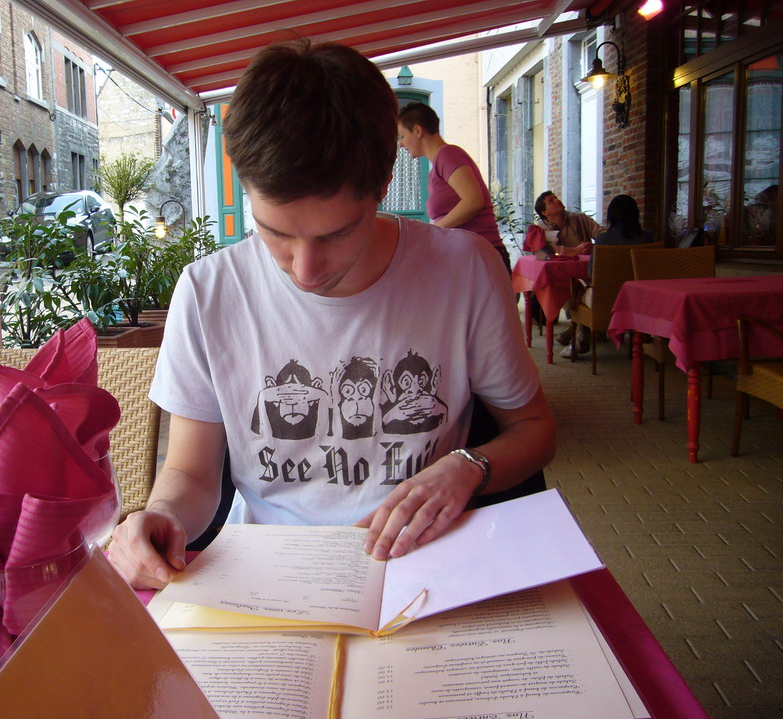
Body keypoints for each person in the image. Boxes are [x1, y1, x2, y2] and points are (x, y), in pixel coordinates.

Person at [108, 40, 556, 590]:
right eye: (275, 233)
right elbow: (190, 474)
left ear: (385, 184)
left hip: (431, 567)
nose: (305, 270)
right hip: (272, 575)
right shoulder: (208, 292)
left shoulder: (465, 271)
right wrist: (163, 518)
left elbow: (534, 430)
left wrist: (470, 467)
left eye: (338, 234)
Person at [397, 102, 509, 272]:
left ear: (418, 131)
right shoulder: (439, 164)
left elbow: (473, 201)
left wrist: (431, 232)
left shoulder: (448, 155)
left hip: (481, 258)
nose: (401, 144)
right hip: (468, 257)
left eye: (402, 136)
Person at [532, 191, 604, 355]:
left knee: (582, 288)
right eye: (551, 201)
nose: (557, 200)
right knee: (564, 286)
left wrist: (594, 246)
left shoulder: (580, 219)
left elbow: (602, 236)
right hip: (563, 278)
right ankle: (580, 328)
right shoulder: (541, 229)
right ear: (544, 212)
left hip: (588, 275)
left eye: (556, 197)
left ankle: (578, 329)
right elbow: (544, 253)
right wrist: (574, 250)